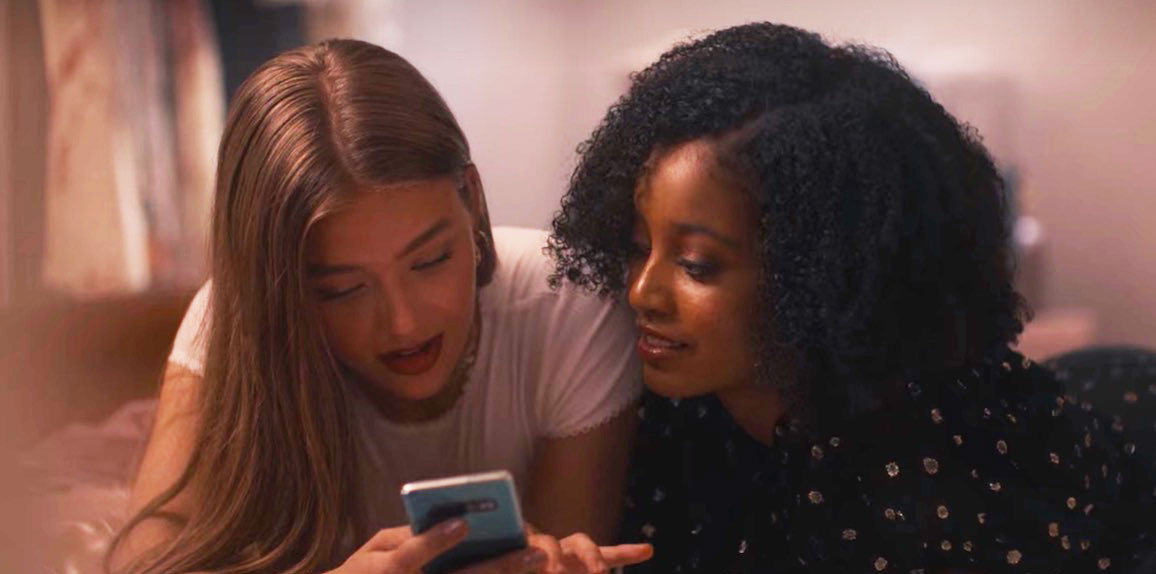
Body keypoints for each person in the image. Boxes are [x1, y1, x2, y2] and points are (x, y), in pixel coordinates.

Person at [549, 22, 1156, 573]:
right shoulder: (660, 405)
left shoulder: (928, 500)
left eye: (696, 265)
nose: (642, 291)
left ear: (821, 273)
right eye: (636, 247)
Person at [110, 39, 652, 574]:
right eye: (343, 290)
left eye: (430, 260)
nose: (403, 323)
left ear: (471, 197)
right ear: (280, 291)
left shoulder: (569, 304)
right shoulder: (234, 320)